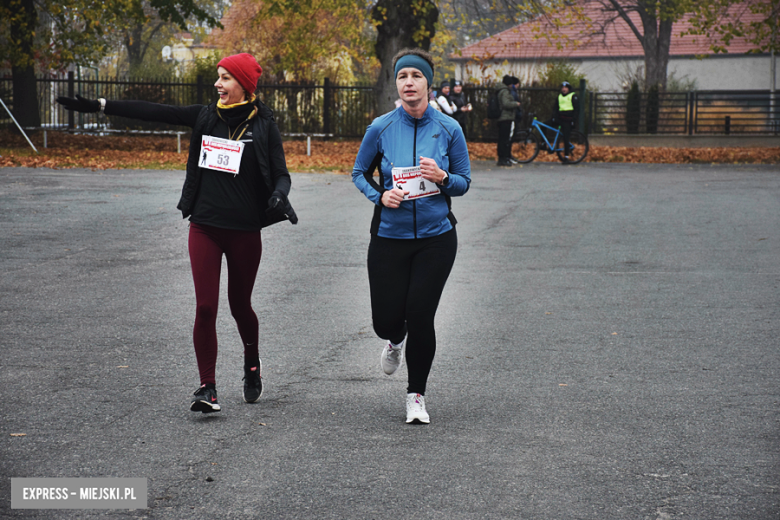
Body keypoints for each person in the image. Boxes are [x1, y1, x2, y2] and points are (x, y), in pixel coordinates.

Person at [56, 53, 298, 414]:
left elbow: (281, 173)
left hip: (245, 230)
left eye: (226, 78)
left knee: (239, 305)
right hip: (204, 225)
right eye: (218, 77)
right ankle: (207, 387)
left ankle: (251, 363)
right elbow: (156, 111)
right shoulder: (204, 116)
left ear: (245, 85)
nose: (218, 84)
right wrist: (101, 105)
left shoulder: (262, 124)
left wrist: (279, 194)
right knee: (205, 306)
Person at [352, 48, 471, 425]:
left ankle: (415, 395)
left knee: (421, 313)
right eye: (402, 76)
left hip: (436, 237)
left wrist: (443, 178)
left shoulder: (450, 129)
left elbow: (464, 182)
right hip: (389, 236)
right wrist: (380, 195)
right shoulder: (381, 127)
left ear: (428, 84)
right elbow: (358, 172)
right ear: (397, 84)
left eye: (416, 76)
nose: (408, 83)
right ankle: (394, 337)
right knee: (386, 320)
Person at [544, 81, 579, 162]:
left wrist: (574, 120)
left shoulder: (573, 96)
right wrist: (553, 117)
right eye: (562, 88)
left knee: (566, 138)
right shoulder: (559, 96)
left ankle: (566, 156)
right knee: (543, 125)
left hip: (568, 120)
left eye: (565, 88)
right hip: (559, 118)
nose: (563, 89)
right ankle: (543, 144)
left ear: (568, 89)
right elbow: (555, 108)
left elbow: (577, 110)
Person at [496, 75, 521, 166]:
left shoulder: (500, 90)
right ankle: (503, 158)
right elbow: (506, 104)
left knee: (502, 138)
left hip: (503, 117)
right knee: (505, 139)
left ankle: (502, 157)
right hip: (506, 117)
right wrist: (515, 104)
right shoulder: (505, 92)